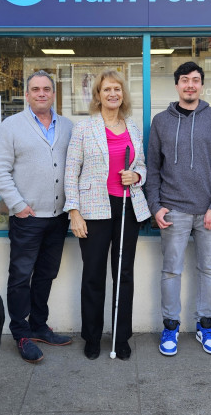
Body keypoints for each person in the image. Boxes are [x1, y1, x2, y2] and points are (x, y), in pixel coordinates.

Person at [146, 61, 211, 356]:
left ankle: (204, 326)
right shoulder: (160, 121)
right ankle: (170, 327)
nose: (190, 85)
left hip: (208, 211)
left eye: (195, 80)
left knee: (208, 269)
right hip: (174, 211)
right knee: (171, 271)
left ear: (202, 85)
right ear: (177, 85)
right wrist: (155, 206)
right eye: (185, 80)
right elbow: (153, 168)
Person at [64, 70, 150, 361]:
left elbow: (143, 166)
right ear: (98, 95)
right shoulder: (84, 128)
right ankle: (91, 336)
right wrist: (74, 212)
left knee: (124, 275)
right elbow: (70, 173)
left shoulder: (133, 127)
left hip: (127, 207)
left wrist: (136, 175)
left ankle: (120, 335)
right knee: (93, 275)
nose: (113, 94)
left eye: (117, 89)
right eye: (106, 89)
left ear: (123, 95)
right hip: (94, 210)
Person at [0, 70, 73, 364]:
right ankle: (21, 331)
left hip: (59, 216)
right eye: (35, 89)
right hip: (27, 216)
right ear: (27, 95)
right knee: (21, 276)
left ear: (53, 93)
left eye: (46, 89)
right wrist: (18, 205)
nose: (41, 93)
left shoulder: (68, 126)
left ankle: (39, 325)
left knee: (47, 274)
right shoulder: (11, 126)